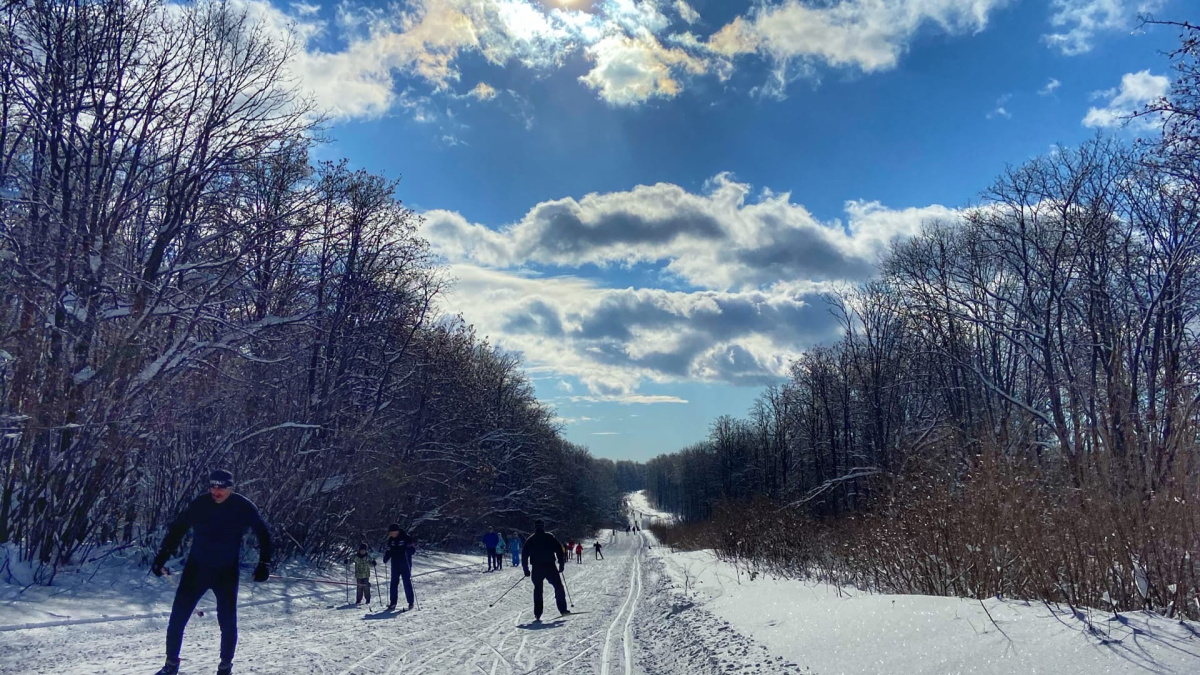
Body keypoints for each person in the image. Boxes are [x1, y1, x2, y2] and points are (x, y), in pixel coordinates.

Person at [151, 469, 271, 675]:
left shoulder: (242, 506)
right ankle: (171, 664)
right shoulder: (201, 504)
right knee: (177, 619)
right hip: (196, 570)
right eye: (212, 486)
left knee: (227, 622)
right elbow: (178, 529)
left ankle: (225, 667)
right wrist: (162, 556)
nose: (216, 491)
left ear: (230, 488)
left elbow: (264, 534)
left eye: (221, 487)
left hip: (226, 572)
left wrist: (264, 563)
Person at [521, 520, 569, 621]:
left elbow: (524, 555)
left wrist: (526, 569)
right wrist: (561, 563)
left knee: (538, 590)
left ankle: (538, 614)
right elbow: (559, 550)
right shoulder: (550, 537)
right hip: (550, 566)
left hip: (537, 568)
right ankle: (563, 610)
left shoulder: (531, 539)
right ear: (543, 527)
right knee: (558, 587)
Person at [383, 524, 416, 611]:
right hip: (395, 564)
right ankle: (393, 603)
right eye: (391, 533)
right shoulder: (391, 540)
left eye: (393, 532)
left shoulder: (406, 538)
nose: (392, 534)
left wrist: (407, 550)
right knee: (393, 583)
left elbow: (413, 550)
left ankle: (410, 602)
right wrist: (386, 558)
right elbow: (389, 550)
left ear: (397, 531)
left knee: (406, 582)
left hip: (405, 563)